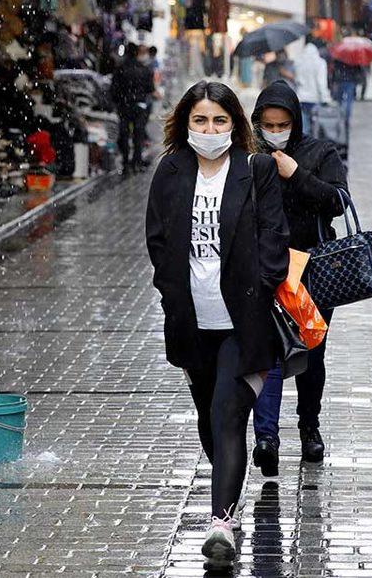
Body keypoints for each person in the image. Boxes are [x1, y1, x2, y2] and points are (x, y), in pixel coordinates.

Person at [145, 80, 289, 570]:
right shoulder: (171, 171)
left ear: (235, 124)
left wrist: (264, 285)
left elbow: (275, 235)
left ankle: (220, 526)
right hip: (192, 323)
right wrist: (170, 294)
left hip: (243, 322)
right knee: (212, 425)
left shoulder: (257, 169)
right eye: (200, 120)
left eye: (220, 120)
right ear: (186, 124)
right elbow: (158, 239)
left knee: (229, 415)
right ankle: (231, 488)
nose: (210, 130)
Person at [248, 81, 348, 474]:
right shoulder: (248, 154)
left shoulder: (319, 152)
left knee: (310, 353)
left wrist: (295, 173)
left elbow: (338, 201)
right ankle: (266, 438)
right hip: (265, 268)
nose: (275, 131)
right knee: (268, 351)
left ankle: (310, 427)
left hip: (312, 269)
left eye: (283, 123)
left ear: (296, 121)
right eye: (267, 124)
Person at [110, 43, 155, 174]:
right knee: (138, 134)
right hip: (140, 105)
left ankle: (125, 162)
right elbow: (150, 89)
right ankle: (137, 161)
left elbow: (114, 89)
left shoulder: (120, 69)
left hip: (124, 106)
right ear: (137, 53)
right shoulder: (144, 69)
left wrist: (118, 101)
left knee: (124, 133)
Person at [294, 41, 331, 137]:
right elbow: (321, 82)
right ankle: (314, 149)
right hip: (315, 99)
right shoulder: (320, 63)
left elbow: (297, 80)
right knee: (316, 128)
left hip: (301, 98)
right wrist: (325, 98)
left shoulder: (298, 63)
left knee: (304, 128)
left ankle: (305, 148)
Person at [330, 59, 366, 134]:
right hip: (350, 80)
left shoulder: (338, 57)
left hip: (340, 80)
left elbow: (335, 69)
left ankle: (339, 118)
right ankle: (346, 119)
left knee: (339, 101)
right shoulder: (352, 57)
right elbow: (358, 69)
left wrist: (333, 80)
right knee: (349, 102)